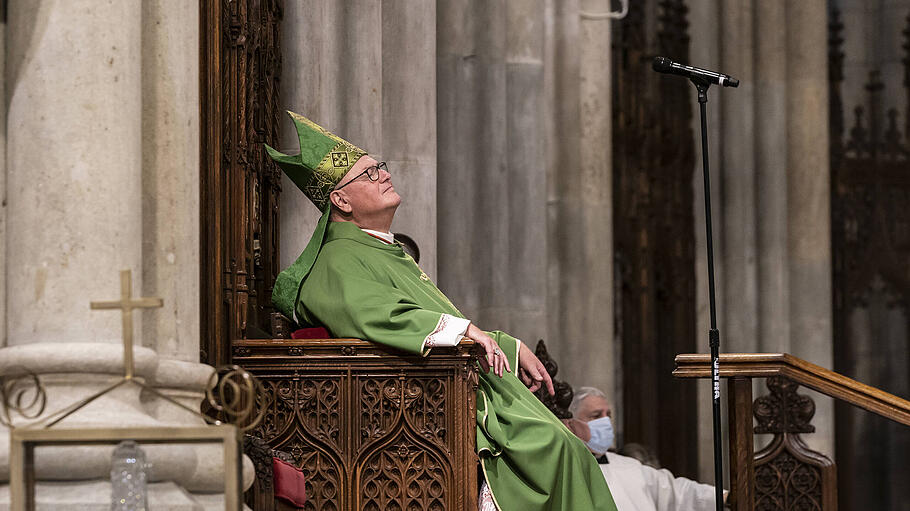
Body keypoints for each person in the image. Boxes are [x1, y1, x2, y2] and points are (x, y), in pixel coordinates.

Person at [264, 112, 617, 511]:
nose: (383, 175)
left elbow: (430, 316)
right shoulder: (338, 259)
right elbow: (378, 316)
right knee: (556, 449)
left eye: (379, 166)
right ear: (341, 200)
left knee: (566, 446)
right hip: (423, 402)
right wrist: (466, 331)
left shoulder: (382, 249)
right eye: (368, 174)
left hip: (452, 383)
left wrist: (507, 344)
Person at [564, 387, 722, 511]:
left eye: (608, 415)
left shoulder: (630, 467)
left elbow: (678, 492)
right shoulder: (566, 469)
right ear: (570, 423)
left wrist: (724, 497)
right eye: (596, 415)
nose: (605, 422)